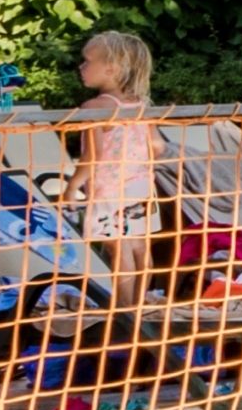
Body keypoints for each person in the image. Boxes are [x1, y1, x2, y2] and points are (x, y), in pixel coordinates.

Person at [66, 27, 167, 282]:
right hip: (140, 187)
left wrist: (73, 186)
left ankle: (122, 311)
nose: (81, 67)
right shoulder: (139, 105)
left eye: (87, 61)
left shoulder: (94, 108)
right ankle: (141, 304)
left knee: (117, 248)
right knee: (139, 245)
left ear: (111, 69)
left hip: (108, 190)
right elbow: (157, 145)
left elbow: (93, 156)